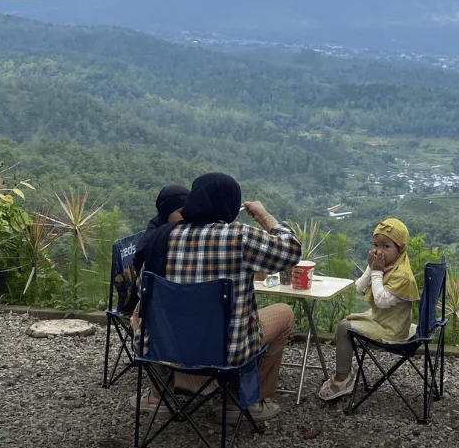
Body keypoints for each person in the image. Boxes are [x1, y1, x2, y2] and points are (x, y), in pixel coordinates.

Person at [132, 172, 301, 422]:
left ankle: (160, 396)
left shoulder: (162, 237)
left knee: (141, 315)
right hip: (226, 350)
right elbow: (291, 252)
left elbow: (142, 290)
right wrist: (266, 217)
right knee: (284, 314)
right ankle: (244, 403)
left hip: (165, 347)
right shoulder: (239, 237)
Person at [318, 218, 419, 401]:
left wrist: (376, 272)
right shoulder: (385, 267)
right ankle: (344, 374)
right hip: (381, 320)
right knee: (346, 322)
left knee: (343, 327)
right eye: (375, 245)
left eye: (386, 246)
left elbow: (381, 301)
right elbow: (358, 288)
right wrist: (371, 269)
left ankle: (343, 379)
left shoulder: (402, 275)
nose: (378, 251)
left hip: (393, 330)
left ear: (400, 249)